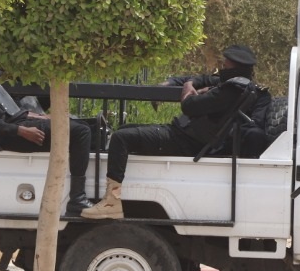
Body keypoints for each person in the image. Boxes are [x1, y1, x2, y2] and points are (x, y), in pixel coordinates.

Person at [82, 45, 264, 221]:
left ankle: (111, 203)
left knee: (120, 137)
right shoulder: (239, 85)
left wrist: (188, 91)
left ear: (235, 68)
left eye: (225, 66)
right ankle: (115, 192)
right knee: (124, 129)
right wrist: (185, 83)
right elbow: (203, 79)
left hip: (184, 141)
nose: (221, 69)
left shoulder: (230, 91)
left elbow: (190, 106)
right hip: (184, 135)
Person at [0, 65, 93, 216]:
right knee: (80, 132)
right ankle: (77, 198)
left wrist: (35, 116)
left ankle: (78, 197)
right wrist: (21, 131)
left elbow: (6, 110)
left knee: (82, 125)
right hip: (9, 134)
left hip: (13, 125)